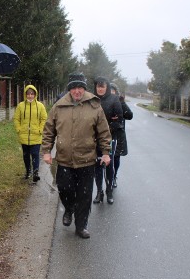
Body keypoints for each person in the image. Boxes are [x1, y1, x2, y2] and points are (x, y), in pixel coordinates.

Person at [41, 73, 112, 239]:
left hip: (86, 159)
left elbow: (104, 132)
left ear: (84, 88)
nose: (77, 91)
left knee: (85, 195)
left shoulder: (94, 106)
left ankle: (81, 226)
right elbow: (49, 130)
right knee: (64, 189)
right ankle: (69, 208)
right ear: (69, 89)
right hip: (64, 159)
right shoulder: (59, 106)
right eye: (74, 87)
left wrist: (106, 153)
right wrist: (46, 151)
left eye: (80, 87)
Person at [92, 76, 124, 205]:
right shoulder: (91, 100)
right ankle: (99, 191)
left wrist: (109, 127)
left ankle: (109, 190)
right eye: (98, 86)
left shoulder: (114, 99)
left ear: (107, 87)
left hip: (110, 138)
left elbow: (119, 119)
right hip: (94, 139)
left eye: (102, 86)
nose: (100, 89)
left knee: (108, 165)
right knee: (98, 166)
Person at [14, 85, 48, 183]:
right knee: (26, 155)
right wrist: (19, 129)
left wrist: (40, 130)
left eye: (32, 94)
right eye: (28, 94)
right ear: (25, 95)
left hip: (36, 136)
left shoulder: (40, 106)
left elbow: (44, 119)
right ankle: (28, 171)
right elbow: (16, 119)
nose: (30, 96)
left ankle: (35, 173)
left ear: (35, 95)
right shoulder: (20, 105)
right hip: (24, 136)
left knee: (35, 154)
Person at [110, 82, 134, 189]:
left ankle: (114, 177)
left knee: (116, 158)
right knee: (105, 158)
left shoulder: (120, 103)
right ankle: (107, 179)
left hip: (119, 135)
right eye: (109, 91)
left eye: (113, 91)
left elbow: (129, 115)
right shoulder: (104, 102)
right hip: (106, 134)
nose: (111, 93)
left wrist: (122, 103)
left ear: (116, 92)